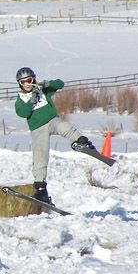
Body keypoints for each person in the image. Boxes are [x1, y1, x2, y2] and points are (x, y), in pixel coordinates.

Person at [14, 67, 94, 205]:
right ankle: (41, 189)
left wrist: (47, 84)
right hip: (37, 128)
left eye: (29, 80)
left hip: (51, 120)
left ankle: (82, 141)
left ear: (33, 79)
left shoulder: (42, 90)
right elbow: (23, 113)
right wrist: (32, 100)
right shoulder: (20, 99)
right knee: (40, 156)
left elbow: (60, 84)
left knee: (64, 126)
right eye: (23, 82)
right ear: (19, 84)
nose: (27, 84)